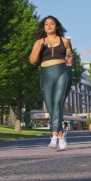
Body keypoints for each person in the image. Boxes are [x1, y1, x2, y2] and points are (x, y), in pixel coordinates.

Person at [30, 16, 74, 150]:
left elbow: (70, 56)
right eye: (46, 24)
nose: (49, 26)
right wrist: (41, 46)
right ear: (44, 27)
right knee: (50, 107)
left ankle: (54, 137)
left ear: (57, 26)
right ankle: (61, 134)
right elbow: (32, 60)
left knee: (57, 103)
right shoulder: (39, 42)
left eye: (52, 24)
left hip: (62, 72)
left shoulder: (65, 41)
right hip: (46, 74)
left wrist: (70, 59)